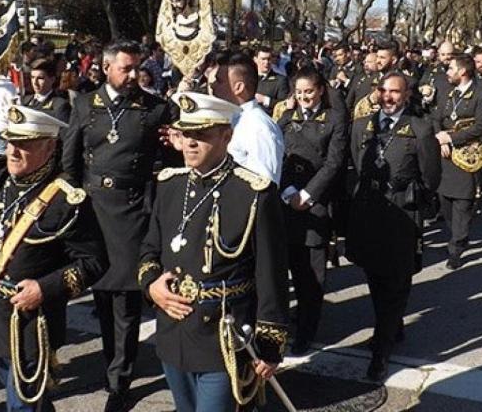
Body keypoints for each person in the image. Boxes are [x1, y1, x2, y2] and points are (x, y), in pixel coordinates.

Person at [0, 105, 108, 412]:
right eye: (10, 141)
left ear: (50, 146)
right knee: (25, 395)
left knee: (23, 400)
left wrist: (45, 288)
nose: (13, 150)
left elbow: (93, 262)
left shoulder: (66, 198)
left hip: (31, 320)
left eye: (24, 144)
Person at [139, 91, 289, 412]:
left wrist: (270, 343)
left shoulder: (253, 193)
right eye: (186, 134)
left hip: (221, 337)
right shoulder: (169, 185)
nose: (191, 143)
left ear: (226, 136)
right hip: (172, 333)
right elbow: (149, 250)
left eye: (201, 135)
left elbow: (271, 274)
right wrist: (151, 286)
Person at [62, 40, 175, 412]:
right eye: (125, 68)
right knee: (102, 293)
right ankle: (112, 360)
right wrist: (72, 202)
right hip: (94, 210)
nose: (132, 75)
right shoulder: (84, 104)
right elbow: (71, 159)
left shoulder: (154, 108)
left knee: (126, 300)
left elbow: (174, 154)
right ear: (106, 68)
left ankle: (119, 380)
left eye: (135, 68)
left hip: (131, 212)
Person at [346, 72, 440, 395]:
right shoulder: (362, 125)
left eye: (394, 92)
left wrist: (415, 199)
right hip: (370, 211)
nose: (388, 97)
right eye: (383, 90)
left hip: (402, 212)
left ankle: (381, 351)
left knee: (397, 280)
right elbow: (357, 165)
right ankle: (392, 326)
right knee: (375, 276)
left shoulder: (420, 128)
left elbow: (431, 176)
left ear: (406, 94)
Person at [272, 67, 347, 353]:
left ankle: (307, 330)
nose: (304, 97)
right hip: (287, 200)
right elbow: (277, 155)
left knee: (311, 276)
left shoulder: (335, 119)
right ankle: (293, 318)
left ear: (320, 91)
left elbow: (334, 164)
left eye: (309, 91)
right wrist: (289, 191)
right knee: (288, 267)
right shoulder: (286, 118)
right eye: (299, 92)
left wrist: (307, 195)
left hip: (315, 203)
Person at [433, 54, 482, 269]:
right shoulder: (448, 91)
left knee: (462, 203)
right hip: (446, 155)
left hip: (468, 156)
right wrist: (441, 139)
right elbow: (436, 118)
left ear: (463, 72)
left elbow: (480, 126)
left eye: (451, 68)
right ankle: (456, 236)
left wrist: (451, 138)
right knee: (445, 201)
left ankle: (457, 248)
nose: (447, 72)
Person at [209, 51, 284, 186]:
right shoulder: (229, 119)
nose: (212, 85)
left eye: (219, 81)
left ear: (238, 87)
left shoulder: (258, 127)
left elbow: (263, 186)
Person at [23, 59, 71, 123]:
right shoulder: (24, 101)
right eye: (32, 77)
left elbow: (63, 131)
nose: (35, 82)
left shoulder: (60, 105)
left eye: (40, 78)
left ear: (52, 79)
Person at [253, 46, 289, 113]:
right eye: (263, 59)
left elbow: (285, 104)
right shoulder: (249, 78)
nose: (266, 62)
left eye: (269, 59)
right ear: (255, 59)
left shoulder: (280, 80)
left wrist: (265, 100)